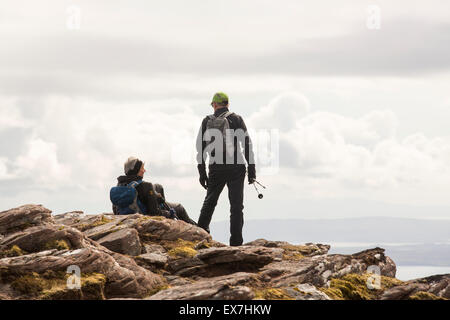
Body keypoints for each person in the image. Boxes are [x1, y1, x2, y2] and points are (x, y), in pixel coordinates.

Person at [196, 92, 256, 246]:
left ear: (214, 105)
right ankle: (236, 243)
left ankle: (199, 236)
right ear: (227, 104)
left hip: (216, 167)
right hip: (236, 167)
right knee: (236, 206)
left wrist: (202, 172)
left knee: (209, 202)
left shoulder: (206, 121)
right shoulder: (236, 119)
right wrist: (252, 169)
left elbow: (200, 148)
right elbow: (247, 144)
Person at [112, 157, 197, 225]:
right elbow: (155, 213)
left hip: (129, 215)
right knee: (179, 207)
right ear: (137, 170)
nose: (144, 170)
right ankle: (198, 229)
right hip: (145, 215)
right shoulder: (146, 186)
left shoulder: (120, 185)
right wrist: (169, 214)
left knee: (157, 186)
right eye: (142, 168)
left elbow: (115, 209)